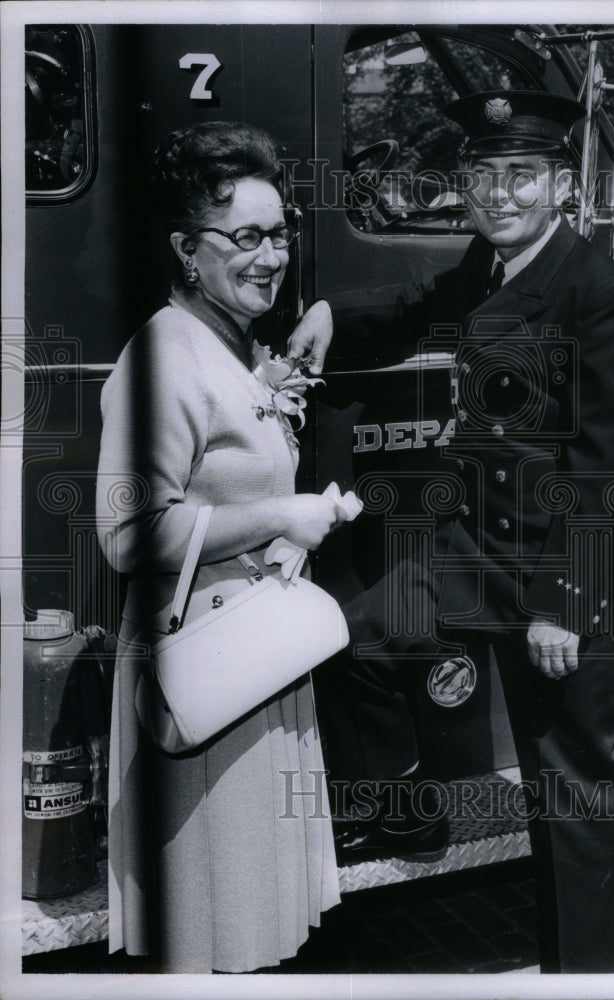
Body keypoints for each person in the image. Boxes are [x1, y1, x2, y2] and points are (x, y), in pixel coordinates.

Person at [325, 91, 614, 974]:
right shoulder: (493, 263)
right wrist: (321, 320)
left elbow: (613, 475)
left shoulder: (601, 297)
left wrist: (565, 607)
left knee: (572, 796)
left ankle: (587, 980)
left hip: (566, 574)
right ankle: (409, 810)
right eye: (480, 177)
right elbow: (414, 303)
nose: (497, 194)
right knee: (350, 643)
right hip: (482, 557)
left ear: (558, 185)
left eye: (520, 177)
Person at [95, 121, 345, 973]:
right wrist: (283, 517)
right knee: (218, 924)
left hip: (253, 660)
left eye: (278, 234)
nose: (268, 256)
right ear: (184, 249)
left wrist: (308, 328)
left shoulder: (227, 341)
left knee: (247, 921)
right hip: (201, 670)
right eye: (243, 237)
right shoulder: (161, 357)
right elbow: (128, 534)